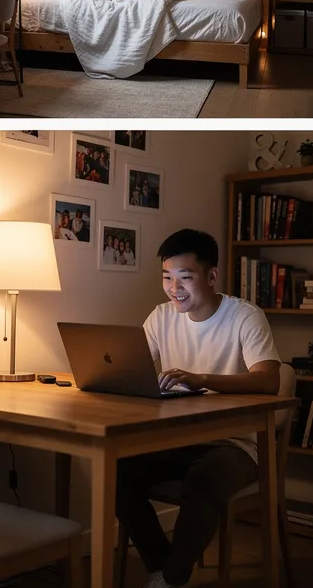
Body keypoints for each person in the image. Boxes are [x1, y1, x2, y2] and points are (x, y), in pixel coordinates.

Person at [117, 229, 280, 588]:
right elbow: (133, 369)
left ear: (211, 275)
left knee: (204, 480)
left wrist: (199, 378)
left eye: (185, 278)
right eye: (167, 277)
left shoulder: (244, 316)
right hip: (176, 438)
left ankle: (170, 577)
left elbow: (268, 380)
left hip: (236, 444)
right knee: (115, 471)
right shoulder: (161, 317)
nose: (175, 288)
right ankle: (166, 568)